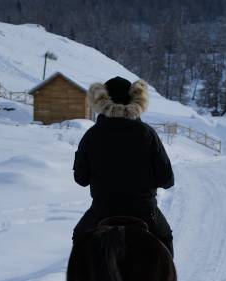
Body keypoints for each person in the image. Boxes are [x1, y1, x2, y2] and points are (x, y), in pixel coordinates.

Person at [72, 77, 175, 258]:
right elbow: (166, 180)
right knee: (165, 237)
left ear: (102, 101)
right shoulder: (147, 133)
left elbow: (80, 179)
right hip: (144, 212)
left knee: (79, 236)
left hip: (102, 211)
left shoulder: (91, 135)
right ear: (134, 100)